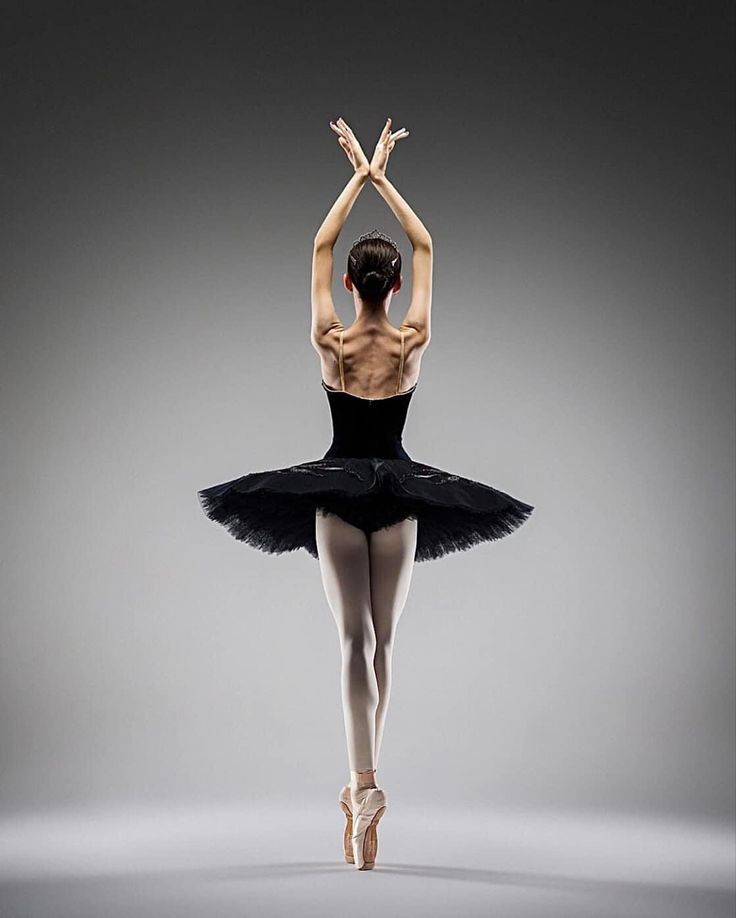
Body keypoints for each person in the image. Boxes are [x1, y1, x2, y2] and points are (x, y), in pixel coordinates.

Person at [197, 116, 535, 870]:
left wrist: (354, 177)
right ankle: (366, 789)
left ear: (350, 285)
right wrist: (386, 178)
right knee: (385, 643)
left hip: (337, 493)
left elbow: (319, 246)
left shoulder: (334, 342)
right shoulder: (411, 341)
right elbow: (427, 245)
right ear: (399, 288)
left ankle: (363, 787)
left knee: (351, 644)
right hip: (403, 495)